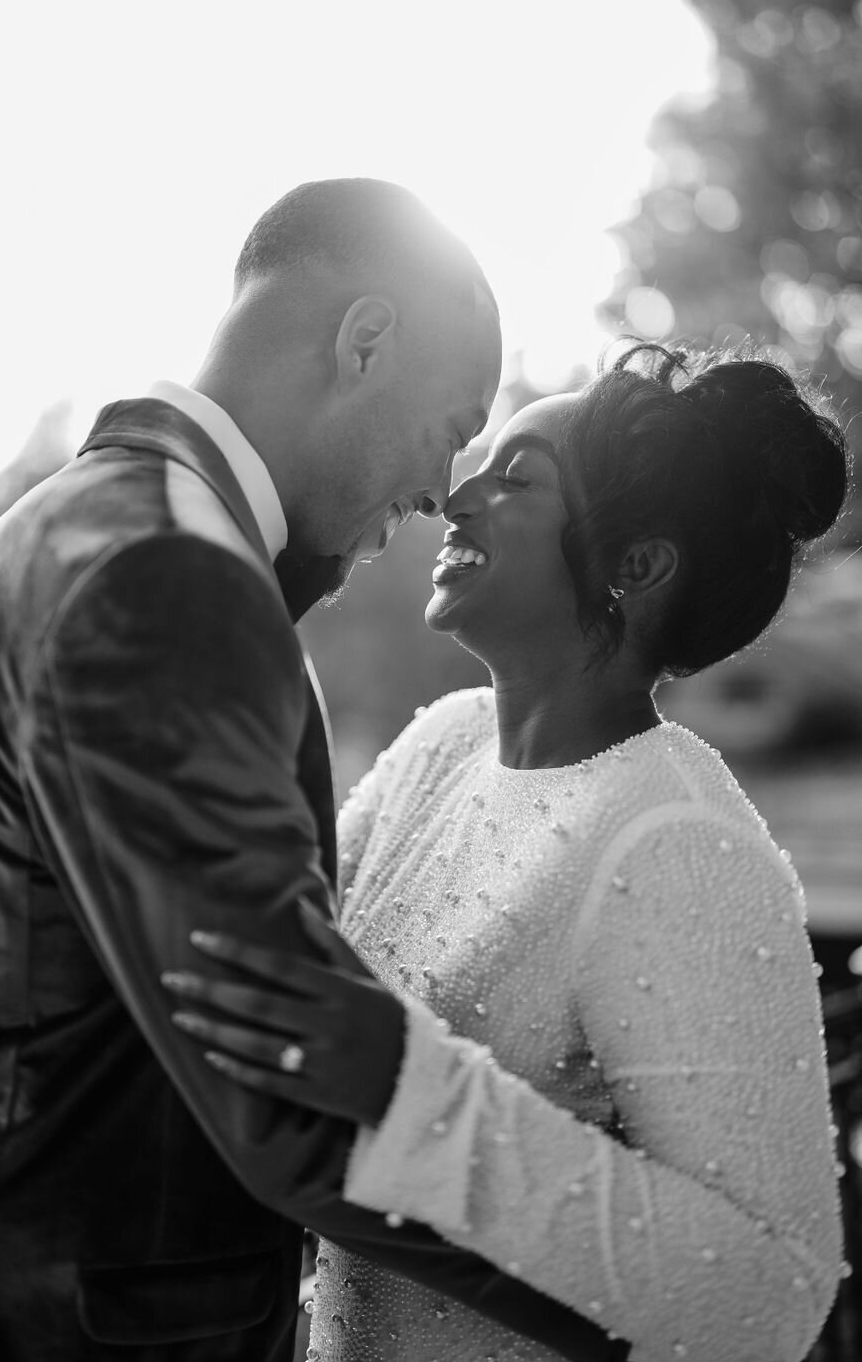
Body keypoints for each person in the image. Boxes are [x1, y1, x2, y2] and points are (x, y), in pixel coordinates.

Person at [0, 179, 626, 1362]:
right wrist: (654, 1283)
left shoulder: (84, 529)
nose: (433, 496)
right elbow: (286, 1091)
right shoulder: (162, 577)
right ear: (366, 341)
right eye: (452, 428)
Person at [164, 343, 848, 1362]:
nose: (455, 496)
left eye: (517, 478)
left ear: (637, 567)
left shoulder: (680, 845)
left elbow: (772, 1296)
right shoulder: (437, 746)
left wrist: (409, 1089)